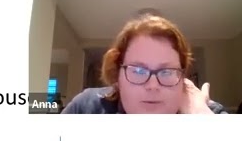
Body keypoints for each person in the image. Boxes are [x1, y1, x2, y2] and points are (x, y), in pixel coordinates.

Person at [61, 14, 227, 114]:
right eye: (138, 70)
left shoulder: (205, 111)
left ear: (183, 79)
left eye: (167, 71)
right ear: (118, 76)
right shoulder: (87, 107)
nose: (153, 85)